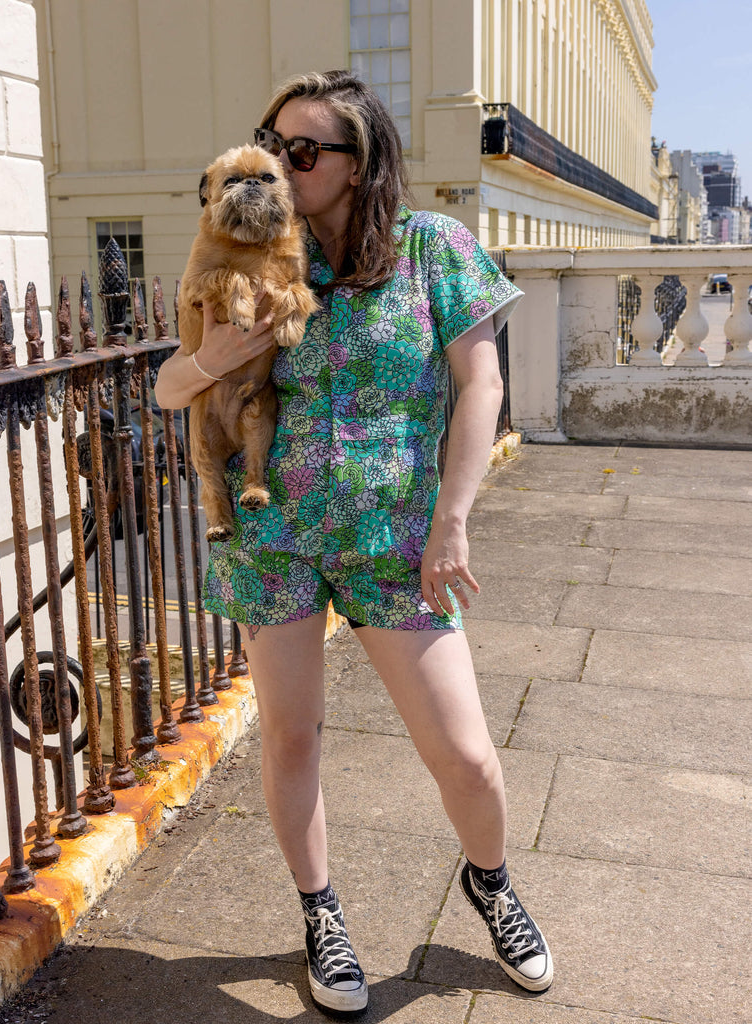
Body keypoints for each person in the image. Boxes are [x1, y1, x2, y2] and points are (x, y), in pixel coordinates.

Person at [154, 69, 552, 1016]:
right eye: (270, 144)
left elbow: (481, 390)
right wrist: (216, 358)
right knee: (292, 737)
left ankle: (490, 884)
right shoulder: (259, 260)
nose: (281, 167)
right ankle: (319, 912)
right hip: (272, 536)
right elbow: (169, 389)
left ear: (356, 159)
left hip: (394, 540)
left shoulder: (432, 249)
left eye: (303, 151)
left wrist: (452, 519)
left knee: (465, 756)